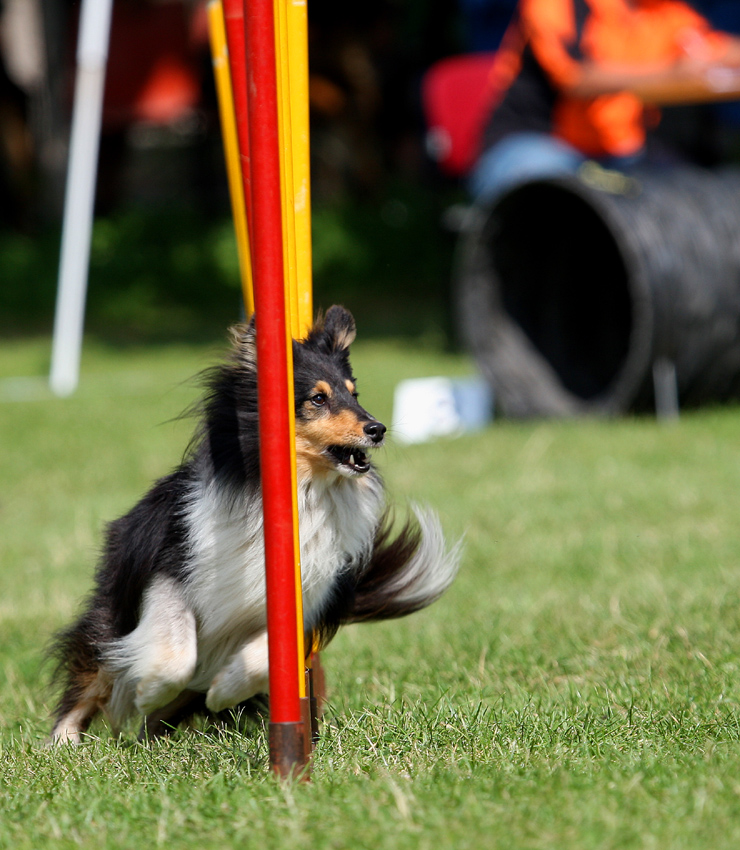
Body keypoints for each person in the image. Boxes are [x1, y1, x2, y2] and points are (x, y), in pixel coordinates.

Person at [470, 0, 740, 201]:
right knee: (553, 202)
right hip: (535, 143)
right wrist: (670, 73)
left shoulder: (659, 11)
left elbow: (712, 48)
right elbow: (575, 77)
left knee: (687, 196)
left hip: (616, 153)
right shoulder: (557, 4)